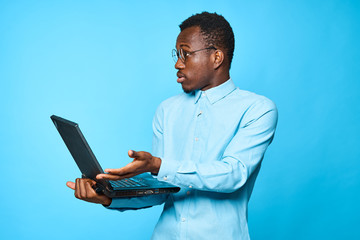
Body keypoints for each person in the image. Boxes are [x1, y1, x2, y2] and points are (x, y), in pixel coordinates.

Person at [66, 12, 278, 240]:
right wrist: (109, 197)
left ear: (217, 58)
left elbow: (233, 174)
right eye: (176, 55)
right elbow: (160, 191)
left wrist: (158, 165)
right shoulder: (167, 110)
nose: (178, 63)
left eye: (186, 54)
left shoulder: (257, 109)